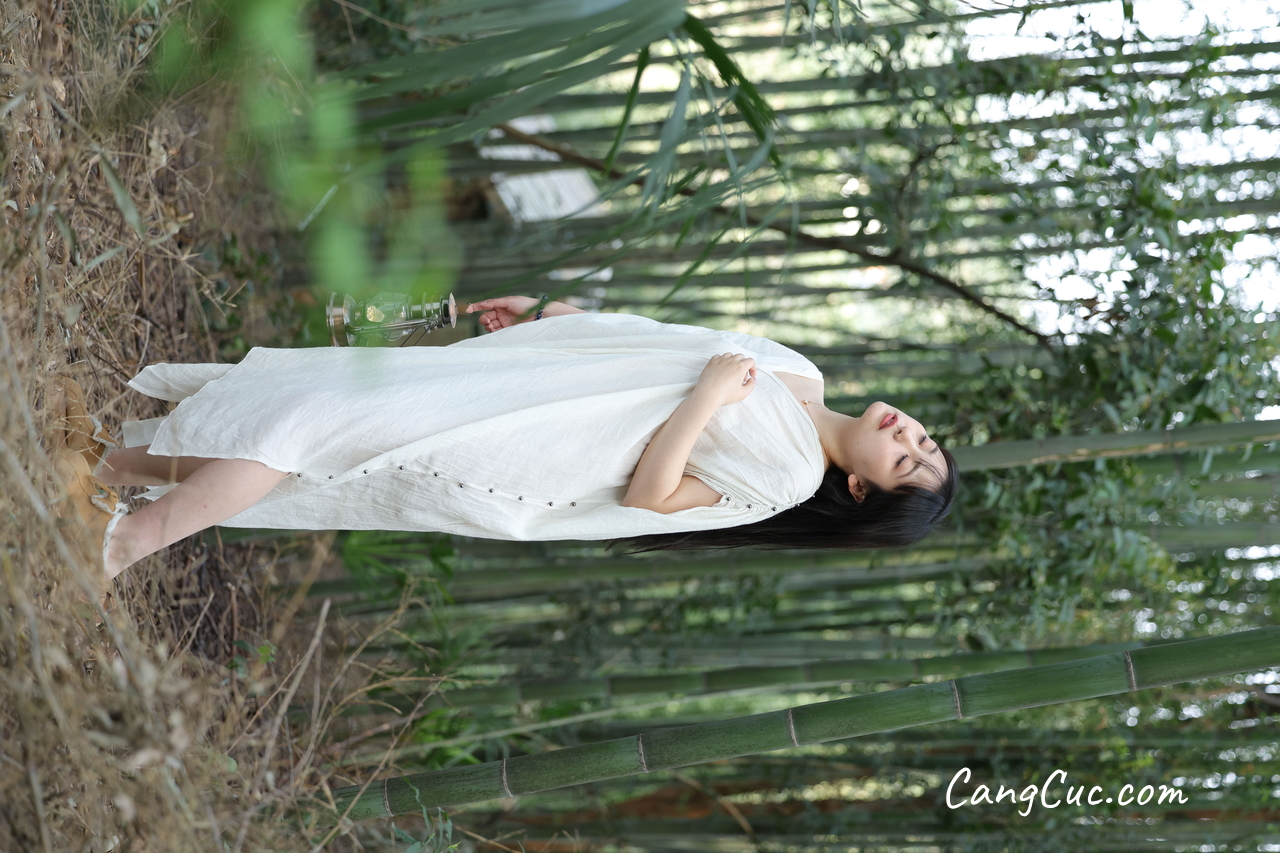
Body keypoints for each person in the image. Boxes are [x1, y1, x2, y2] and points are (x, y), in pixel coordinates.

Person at [51, 296, 957, 591]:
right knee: (322, 401)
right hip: (533, 379)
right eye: (923, 438)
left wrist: (709, 399)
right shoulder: (803, 373)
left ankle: (129, 541)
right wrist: (558, 312)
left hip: (543, 445)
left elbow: (652, 495)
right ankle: (115, 468)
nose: (907, 438)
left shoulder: (790, 478)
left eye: (908, 464)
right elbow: (663, 340)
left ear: (865, 492)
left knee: (318, 431)